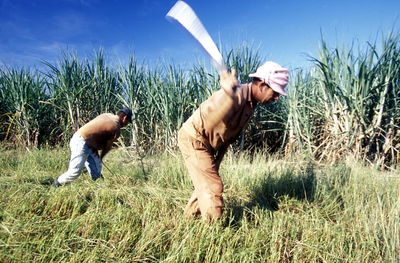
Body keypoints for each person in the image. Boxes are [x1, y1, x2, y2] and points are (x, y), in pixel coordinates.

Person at [178, 61, 289, 220]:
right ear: (263, 85)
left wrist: (218, 160)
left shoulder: (251, 103)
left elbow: (228, 134)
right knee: (213, 186)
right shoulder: (236, 94)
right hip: (194, 138)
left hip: (210, 145)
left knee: (207, 181)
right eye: (276, 92)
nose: (277, 97)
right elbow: (212, 112)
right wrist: (227, 95)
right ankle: (212, 232)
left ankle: (189, 219)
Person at [52, 108, 133, 186]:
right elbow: (106, 147)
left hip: (84, 141)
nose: (126, 124)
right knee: (74, 172)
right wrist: (101, 157)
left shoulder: (107, 115)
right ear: (124, 118)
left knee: (97, 167)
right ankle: (56, 184)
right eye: (127, 122)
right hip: (81, 143)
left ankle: (99, 186)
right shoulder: (116, 128)